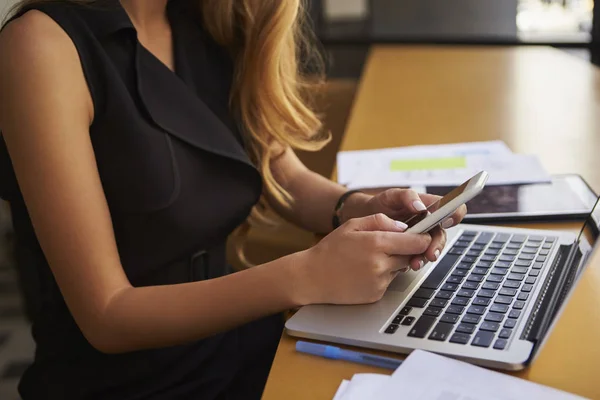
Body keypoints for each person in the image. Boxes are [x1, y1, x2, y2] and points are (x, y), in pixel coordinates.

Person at [0, 0, 466, 398]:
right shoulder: (40, 47)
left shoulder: (209, 19)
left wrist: (356, 205)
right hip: (128, 385)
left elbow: (279, 172)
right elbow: (108, 316)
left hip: (236, 348)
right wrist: (307, 273)